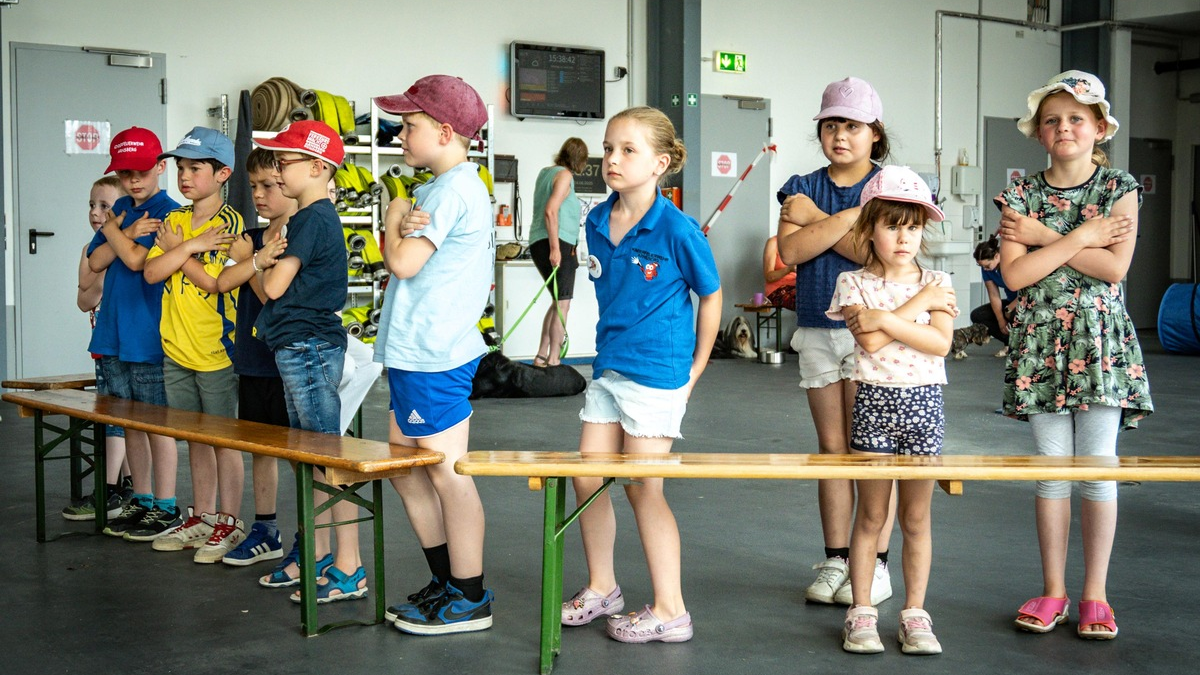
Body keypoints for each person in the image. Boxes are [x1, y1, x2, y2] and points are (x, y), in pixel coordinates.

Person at [995, 70, 1152, 640]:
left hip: (1099, 342)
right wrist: (1081, 236)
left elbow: (1115, 269)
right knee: (1051, 470)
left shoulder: (1120, 189)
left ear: (1099, 129)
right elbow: (1014, 273)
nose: (1064, 127)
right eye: (1053, 120)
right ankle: (1054, 590)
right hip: (1040, 341)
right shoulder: (1020, 193)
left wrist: (1044, 237)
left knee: (1098, 470)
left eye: (1076, 118)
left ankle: (1095, 596)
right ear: (1039, 133)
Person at [560, 106, 721, 644]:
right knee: (588, 478)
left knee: (643, 488)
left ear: (662, 163)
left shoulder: (677, 229)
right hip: (608, 367)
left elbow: (712, 294)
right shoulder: (596, 220)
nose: (613, 159)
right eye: (609, 148)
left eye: (628, 150)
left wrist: (696, 368)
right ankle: (603, 586)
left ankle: (671, 610)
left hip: (657, 373)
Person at [776, 77, 919, 606]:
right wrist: (844, 223)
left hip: (875, 333)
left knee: (871, 453)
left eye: (853, 126)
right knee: (832, 451)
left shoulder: (894, 187)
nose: (840, 135)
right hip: (817, 327)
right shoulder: (800, 184)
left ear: (874, 135)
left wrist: (818, 224)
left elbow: (886, 259)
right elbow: (789, 253)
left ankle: (875, 564)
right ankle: (837, 559)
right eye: (831, 124)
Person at [371, 74, 495, 635]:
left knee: (446, 474)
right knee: (406, 468)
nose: (399, 135)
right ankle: (446, 581)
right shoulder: (436, 188)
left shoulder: (449, 191)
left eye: (409, 125)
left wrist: (393, 213)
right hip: (411, 352)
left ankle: (470, 596)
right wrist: (397, 216)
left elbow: (400, 262)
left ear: (445, 132)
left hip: (434, 355)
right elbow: (396, 250)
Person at [826, 166, 953, 655]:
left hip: (925, 405)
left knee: (916, 520)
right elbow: (872, 344)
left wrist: (891, 315)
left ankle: (915, 613)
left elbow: (940, 343)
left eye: (914, 226)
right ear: (869, 227)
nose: (905, 237)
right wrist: (909, 310)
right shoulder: (851, 282)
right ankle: (861, 613)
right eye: (892, 225)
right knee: (870, 518)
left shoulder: (937, 281)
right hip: (874, 403)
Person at [251, 120, 365, 603]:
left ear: (318, 167)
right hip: (299, 348)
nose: (277, 170)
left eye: (284, 162)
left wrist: (262, 257)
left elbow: (273, 288)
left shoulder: (309, 220)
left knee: (327, 459)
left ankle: (349, 567)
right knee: (312, 459)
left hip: (308, 348)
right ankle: (320, 555)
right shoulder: (313, 219)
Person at [142, 127, 246, 561]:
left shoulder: (231, 224)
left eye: (195, 168)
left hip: (216, 351)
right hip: (177, 349)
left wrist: (182, 251)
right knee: (194, 438)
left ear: (222, 173)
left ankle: (229, 521)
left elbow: (217, 283)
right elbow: (151, 273)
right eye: (181, 168)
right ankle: (201, 516)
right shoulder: (175, 222)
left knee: (224, 440)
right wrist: (191, 245)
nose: (184, 176)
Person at [85, 127, 184, 541]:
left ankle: (166, 506)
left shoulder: (168, 210)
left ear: (160, 167)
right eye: (124, 173)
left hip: (148, 335)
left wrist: (114, 231)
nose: (133, 180)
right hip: (113, 333)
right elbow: (94, 262)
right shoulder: (123, 209)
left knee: (157, 425)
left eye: (141, 170)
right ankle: (140, 499)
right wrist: (120, 230)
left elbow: (135, 258)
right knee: (128, 424)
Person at [214, 148, 294, 568]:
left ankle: (308, 538)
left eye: (269, 186)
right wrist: (247, 260)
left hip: (287, 359)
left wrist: (249, 262)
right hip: (252, 355)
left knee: (300, 450)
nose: (259, 195)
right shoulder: (254, 237)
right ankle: (266, 528)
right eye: (253, 187)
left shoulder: (294, 238)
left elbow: (272, 298)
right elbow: (223, 283)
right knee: (260, 446)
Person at [61, 176, 133, 521]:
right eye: (92, 204)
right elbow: (83, 299)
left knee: (122, 418)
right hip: (102, 347)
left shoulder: (129, 248)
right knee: (115, 415)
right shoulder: (90, 251)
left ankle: (114, 489)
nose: (95, 212)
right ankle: (123, 486)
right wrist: (101, 275)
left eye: (104, 205)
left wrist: (104, 274)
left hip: (126, 347)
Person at [528, 137, 588, 366]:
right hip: (557, 243)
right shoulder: (565, 176)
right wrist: (555, 248)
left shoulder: (546, 172)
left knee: (557, 302)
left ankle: (542, 355)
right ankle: (554, 359)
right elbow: (551, 211)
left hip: (538, 241)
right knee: (563, 304)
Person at [968, 235, 1016, 357]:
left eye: (987, 266)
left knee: (1012, 314)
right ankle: (1010, 343)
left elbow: (1027, 291)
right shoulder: (987, 270)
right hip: (1011, 302)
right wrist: (1000, 320)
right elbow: (994, 295)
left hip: (1025, 300)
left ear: (996, 256)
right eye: (982, 266)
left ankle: (1021, 344)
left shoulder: (1011, 262)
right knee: (977, 315)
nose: (985, 269)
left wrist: (1009, 309)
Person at [762, 234, 796, 310]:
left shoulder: (802, 242)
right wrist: (789, 269)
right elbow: (769, 276)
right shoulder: (774, 242)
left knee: (821, 297)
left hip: (797, 287)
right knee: (806, 301)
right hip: (777, 289)